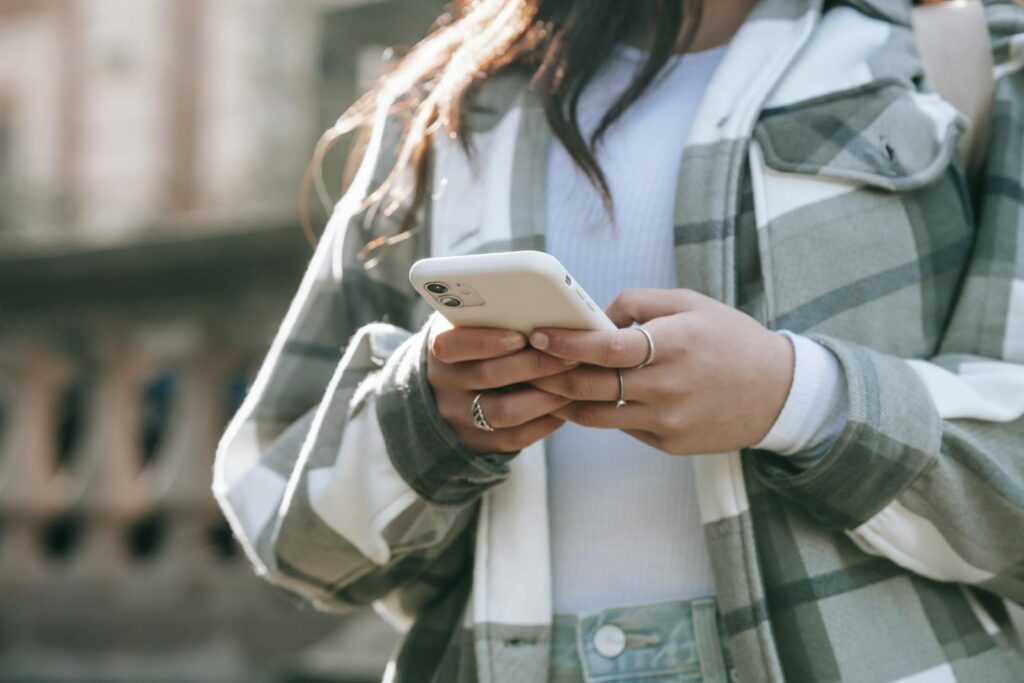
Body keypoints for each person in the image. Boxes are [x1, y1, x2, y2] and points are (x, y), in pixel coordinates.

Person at [213, 0, 1024, 680]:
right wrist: (427, 417)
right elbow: (288, 537)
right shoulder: (449, 105)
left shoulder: (970, 53)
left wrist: (797, 398)